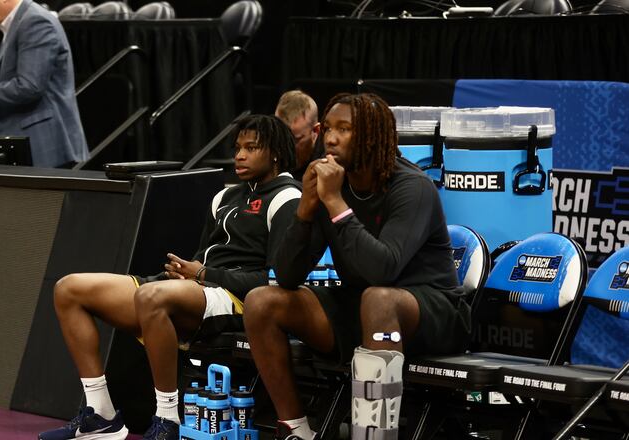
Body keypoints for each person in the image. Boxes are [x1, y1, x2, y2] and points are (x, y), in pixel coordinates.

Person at [39, 115, 301, 440]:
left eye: (251, 148)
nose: (239, 155)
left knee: (152, 297)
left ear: (275, 152)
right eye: (237, 148)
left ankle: (167, 419)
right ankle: (100, 416)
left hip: (240, 301)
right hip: (199, 288)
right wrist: (187, 270)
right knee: (69, 289)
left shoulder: (287, 198)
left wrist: (204, 273)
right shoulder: (224, 197)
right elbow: (204, 255)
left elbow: (276, 280)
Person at [243, 93, 471, 440]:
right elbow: (287, 276)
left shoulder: (413, 187)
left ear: (371, 136)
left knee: (379, 299)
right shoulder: (331, 184)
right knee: (263, 301)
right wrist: (306, 209)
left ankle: (372, 435)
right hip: (362, 304)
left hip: (431, 311)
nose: (330, 138)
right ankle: (296, 430)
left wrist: (334, 201)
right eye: (328, 128)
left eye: (344, 129)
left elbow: (383, 270)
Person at [0, 0, 88, 168]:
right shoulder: (20, 22)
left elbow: (30, 86)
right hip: (37, 147)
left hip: (48, 147)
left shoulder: (34, 21)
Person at [274, 90, 322, 179]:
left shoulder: (328, 166)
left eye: (294, 140)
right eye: (280, 137)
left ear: (316, 131)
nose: (285, 147)